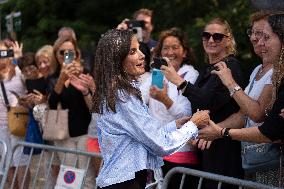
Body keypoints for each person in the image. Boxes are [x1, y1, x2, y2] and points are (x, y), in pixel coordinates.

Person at [87, 29, 209, 189]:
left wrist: (174, 125)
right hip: (123, 183)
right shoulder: (122, 96)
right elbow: (160, 145)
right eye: (132, 51)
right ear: (117, 59)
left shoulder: (119, 91)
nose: (142, 55)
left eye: (138, 49)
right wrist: (193, 124)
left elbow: (143, 135)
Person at [198, 13, 284, 187]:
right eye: (252, 32)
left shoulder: (275, 71)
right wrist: (215, 130)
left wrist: (230, 83)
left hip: (269, 161)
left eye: (263, 35)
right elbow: (244, 114)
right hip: (250, 158)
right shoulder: (257, 69)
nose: (255, 39)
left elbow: (258, 115)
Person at [161, 18, 245, 188]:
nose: (211, 40)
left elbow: (208, 102)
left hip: (225, 152)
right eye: (206, 36)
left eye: (217, 36)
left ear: (228, 40)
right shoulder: (207, 69)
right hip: (206, 151)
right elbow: (198, 107)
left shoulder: (230, 67)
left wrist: (179, 81)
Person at [140, 27, 199, 189]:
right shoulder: (156, 74)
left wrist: (164, 99)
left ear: (184, 52)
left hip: (180, 154)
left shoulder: (189, 75)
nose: (170, 52)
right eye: (166, 48)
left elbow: (186, 114)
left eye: (175, 47)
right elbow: (137, 99)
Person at [48, 36, 95, 189]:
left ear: (77, 54)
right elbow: (52, 104)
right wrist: (62, 79)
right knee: (69, 178)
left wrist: (86, 89)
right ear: (56, 55)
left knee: (87, 177)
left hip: (85, 132)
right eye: (62, 52)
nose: (66, 55)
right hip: (63, 135)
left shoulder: (85, 73)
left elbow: (94, 106)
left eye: (71, 52)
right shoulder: (53, 78)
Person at [0, 40, 30, 189]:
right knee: (8, 165)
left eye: (4, 53)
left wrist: (20, 59)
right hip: (1, 128)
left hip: (18, 124)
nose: (2, 57)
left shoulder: (19, 72)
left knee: (21, 163)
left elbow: (31, 82)